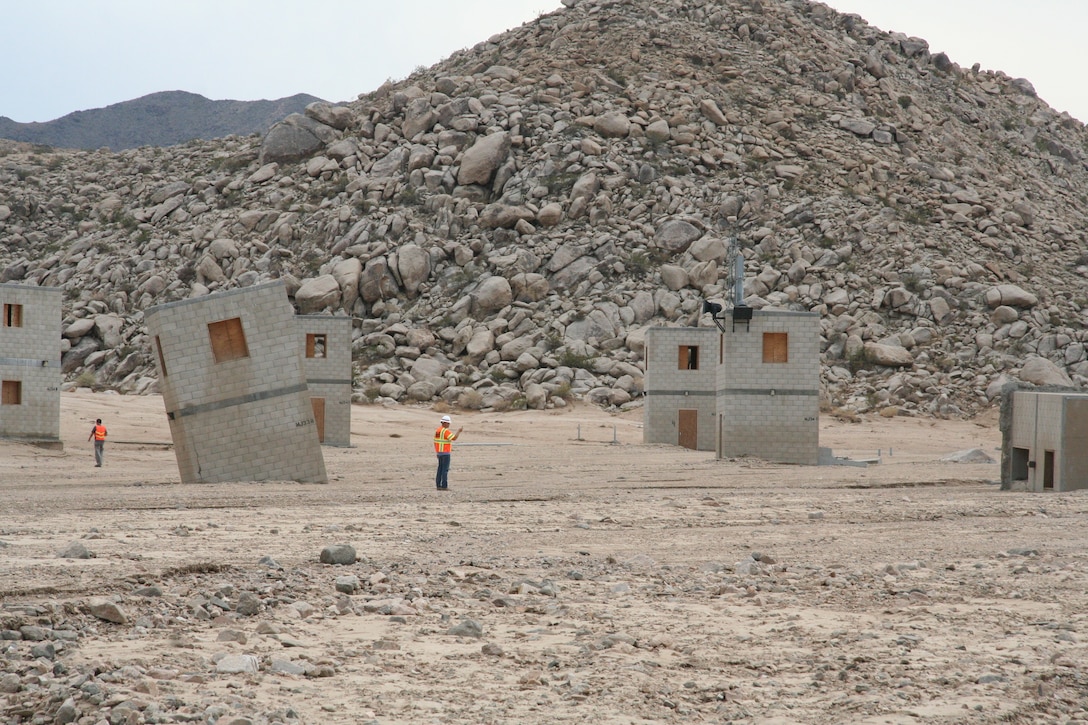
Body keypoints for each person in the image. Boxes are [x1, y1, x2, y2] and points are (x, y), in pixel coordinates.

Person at [433, 414, 462, 490]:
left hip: (439, 453)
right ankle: (444, 486)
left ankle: (438, 485)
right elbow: (454, 438)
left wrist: (437, 452)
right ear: (444, 423)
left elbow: (435, 442)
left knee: (440, 469)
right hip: (445, 453)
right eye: (448, 423)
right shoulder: (445, 431)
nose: (449, 425)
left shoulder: (438, 431)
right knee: (444, 470)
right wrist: (459, 431)